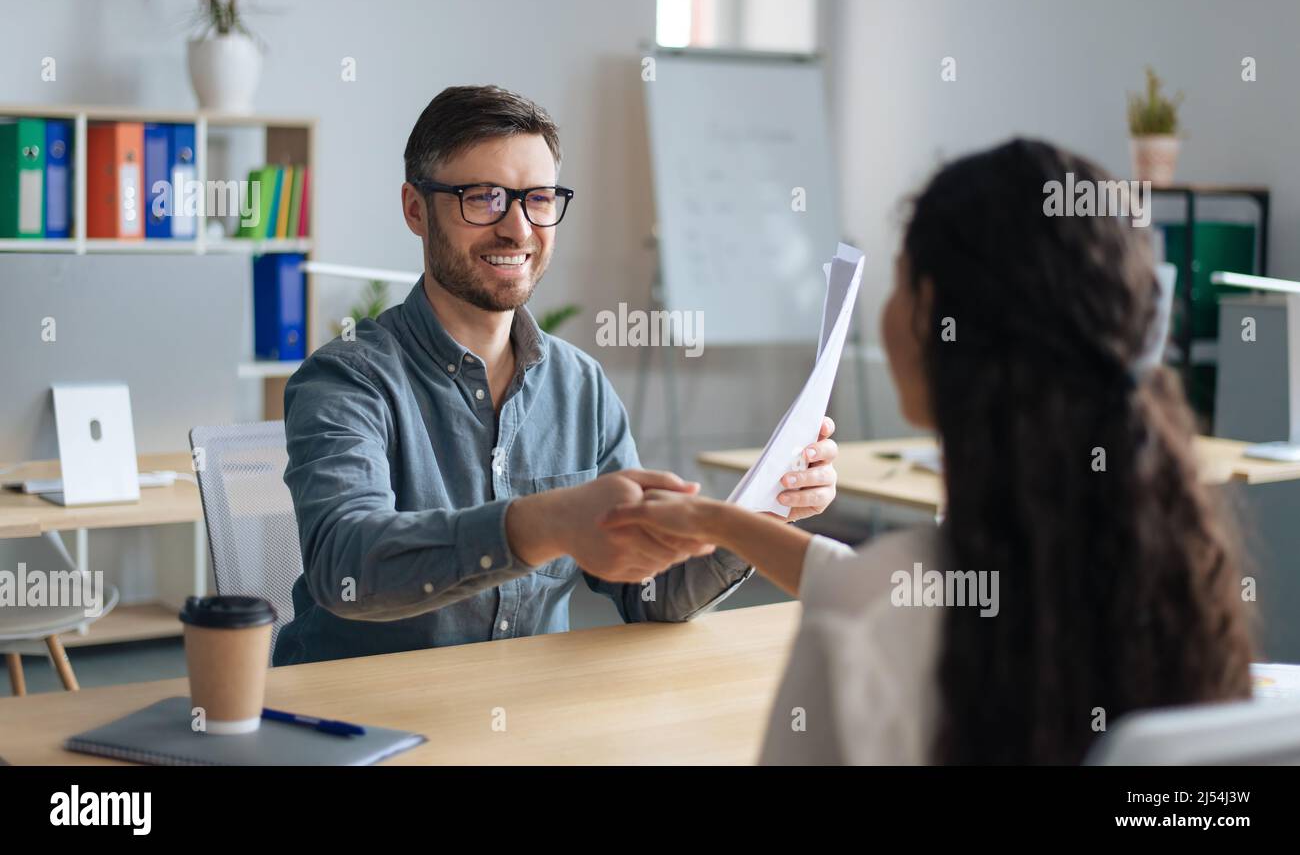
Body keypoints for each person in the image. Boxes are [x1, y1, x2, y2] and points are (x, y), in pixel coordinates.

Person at [600, 138, 1255, 764]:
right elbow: (863, 579)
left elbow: (875, 596)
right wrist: (718, 522)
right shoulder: (1181, 566)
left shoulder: (865, 626)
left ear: (931, 313)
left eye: (900, 277)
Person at [273, 85, 840, 666]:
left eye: (538, 199)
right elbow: (345, 565)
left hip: (524, 719)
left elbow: (649, 595)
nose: (518, 229)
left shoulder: (580, 386)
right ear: (416, 209)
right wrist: (540, 525)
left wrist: (761, 513)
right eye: (484, 198)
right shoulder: (347, 379)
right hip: (358, 725)